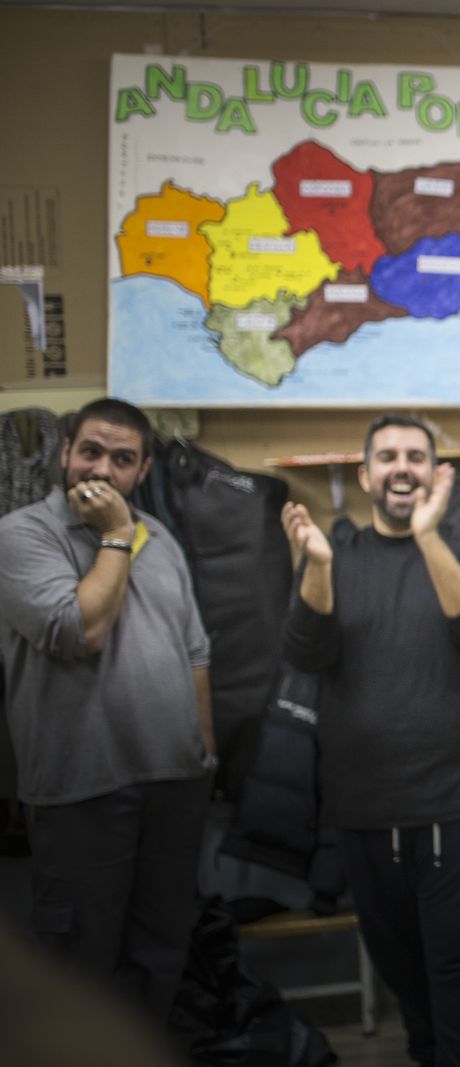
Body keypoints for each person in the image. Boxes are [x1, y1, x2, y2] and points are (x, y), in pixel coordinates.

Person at [281, 414, 460, 1067]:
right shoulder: (336, 555)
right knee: (412, 996)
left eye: (415, 455)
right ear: (365, 475)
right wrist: (316, 566)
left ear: (439, 474)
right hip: (366, 817)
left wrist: (428, 535)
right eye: (387, 456)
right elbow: (305, 650)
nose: (401, 467)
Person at [0, 397, 214, 1030]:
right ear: (65, 453)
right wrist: (116, 533)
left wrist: (204, 757)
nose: (103, 469)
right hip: (82, 790)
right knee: (82, 971)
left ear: (142, 470)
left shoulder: (164, 540)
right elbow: (81, 629)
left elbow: (195, 653)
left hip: (174, 787)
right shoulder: (21, 535)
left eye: (123, 460)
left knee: (161, 957)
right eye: (91, 451)